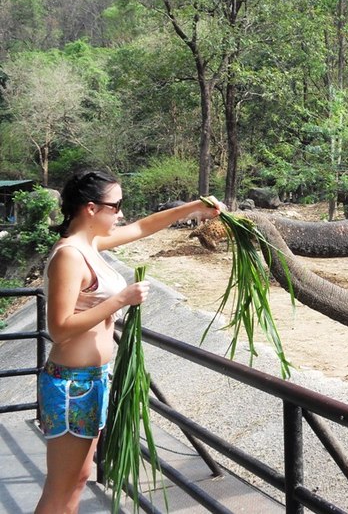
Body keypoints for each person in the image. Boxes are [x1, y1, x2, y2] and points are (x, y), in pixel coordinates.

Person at [34, 169, 224, 513]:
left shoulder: (90, 244)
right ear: (91, 208)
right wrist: (121, 300)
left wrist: (193, 208)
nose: (121, 214)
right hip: (71, 386)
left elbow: (142, 228)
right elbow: (59, 328)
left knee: (79, 478)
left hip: (93, 380)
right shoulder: (69, 255)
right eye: (116, 206)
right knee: (59, 488)